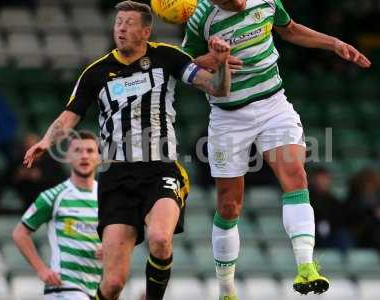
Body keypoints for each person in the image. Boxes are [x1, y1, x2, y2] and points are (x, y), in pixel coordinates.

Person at [23, 1, 231, 300]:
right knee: (113, 284)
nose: (121, 28)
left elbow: (217, 88)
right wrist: (46, 141)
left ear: (146, 31)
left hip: (161, 169)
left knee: (160, 238)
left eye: (129, 23)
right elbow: (70, 115)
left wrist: (222, 63)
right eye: (118, 22)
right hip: (117, 177)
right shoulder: (96, 73)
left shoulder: (168, 57)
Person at [182, 0, 371, 298]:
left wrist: (333, 43)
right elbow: (184, 63)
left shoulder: (266, 1)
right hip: (228, 117)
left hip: (273, 105)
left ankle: (306, 267)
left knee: (295, 175)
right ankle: (226, 288)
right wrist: (213, 59)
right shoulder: (201, 17)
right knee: (229, 205)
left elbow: (290, 30)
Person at [12, 132, 102, 300]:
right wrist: (41, 269)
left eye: (90, 151)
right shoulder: (54, 196)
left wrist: (110, 248)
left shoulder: (107, 197)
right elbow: (19, 233)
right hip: (64, 287)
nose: (84, 156)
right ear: (68, 156)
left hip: (98, 287)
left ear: (98, 157)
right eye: (78, 151)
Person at [345, 168, 380, 251]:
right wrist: (373, 214)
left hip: (379, 230)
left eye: (372, 183)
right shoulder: (353, 199)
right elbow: (352, 218)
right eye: (368, 183)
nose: (370, 186)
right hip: (361, 233)